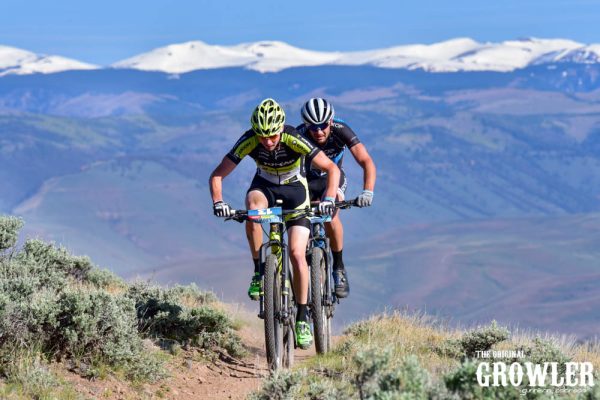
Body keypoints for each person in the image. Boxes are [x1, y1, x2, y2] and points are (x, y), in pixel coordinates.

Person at [209, 98, 340, 349]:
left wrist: (329, 198)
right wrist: (218, 202)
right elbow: (217, 175)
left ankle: (302, 317)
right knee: (252, 209)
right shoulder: (249, 139)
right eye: (262, 136)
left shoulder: (293, 138)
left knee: (296, 254)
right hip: (265, 187)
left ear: (281, 129)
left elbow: (331, 168)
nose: (268, 142)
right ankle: (259, 271)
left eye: (272, 136)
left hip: (295, 191)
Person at [297, 97, 377, 298]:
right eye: (312, 127)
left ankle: (338, 267)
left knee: (330, 215)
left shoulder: (341, 130)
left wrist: (367, 191)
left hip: (333, 181)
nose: (319, 131)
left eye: (323, 125)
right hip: (306, 181)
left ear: (331, 122)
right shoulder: (298, 135)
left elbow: (366, 160)